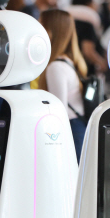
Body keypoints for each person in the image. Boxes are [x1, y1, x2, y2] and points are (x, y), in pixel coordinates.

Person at [39, 9, 88, 161]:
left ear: (51, 31)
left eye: (41, 26)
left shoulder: (56, 67)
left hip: (70, 129)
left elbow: (58, 111)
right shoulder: (67, 61)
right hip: (77, 126)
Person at [71, 0, 108, 76]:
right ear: (89, 3)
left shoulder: (70, 19)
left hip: (71, 66)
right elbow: (88, 51)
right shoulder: (87, 22)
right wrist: (102, 63)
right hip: (84, 70)